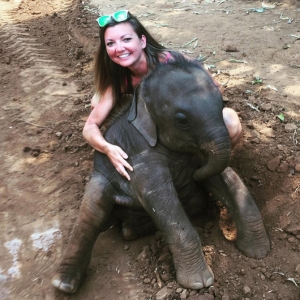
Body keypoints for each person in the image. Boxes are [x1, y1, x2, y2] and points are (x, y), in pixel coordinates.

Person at [83, 10, 242, 181]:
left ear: (142, 41)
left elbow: (215, 89)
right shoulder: (120, 82)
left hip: (188, 123)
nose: (119, 48)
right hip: (157, 130)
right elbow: (90, 126)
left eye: (126, 39)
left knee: (230, 121)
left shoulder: (170, 60)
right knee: (96, 102)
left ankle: (206, 165)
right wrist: (107, 148)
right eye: (110, 43)